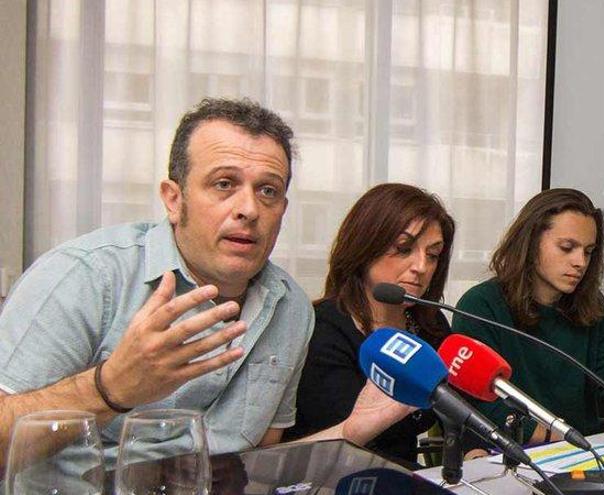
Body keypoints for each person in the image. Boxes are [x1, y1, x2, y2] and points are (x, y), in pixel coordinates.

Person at [0, 98, 411, 466]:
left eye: (268, 191)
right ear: (173, 199)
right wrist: (109, 387)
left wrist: (352, 430)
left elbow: (259, 461)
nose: (249, 208)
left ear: (283, 209)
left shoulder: (292, 309)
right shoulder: (86, 276)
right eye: (224, 184)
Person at [453, 188, 604, 457]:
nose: (580, 262)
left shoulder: (593, 307)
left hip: (580, 459)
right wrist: (565, 443)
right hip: (510, 458)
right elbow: (480, 407)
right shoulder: (480, 306)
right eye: (567, 248)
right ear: (531, 241)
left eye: (589, 252)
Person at [284, 183, 455, 467]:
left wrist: (476, 451)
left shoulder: (429, 324)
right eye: (404, 248)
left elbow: (459, 408)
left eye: (433, 255)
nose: (421, 266)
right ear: (364, 246)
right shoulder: (323, 328)